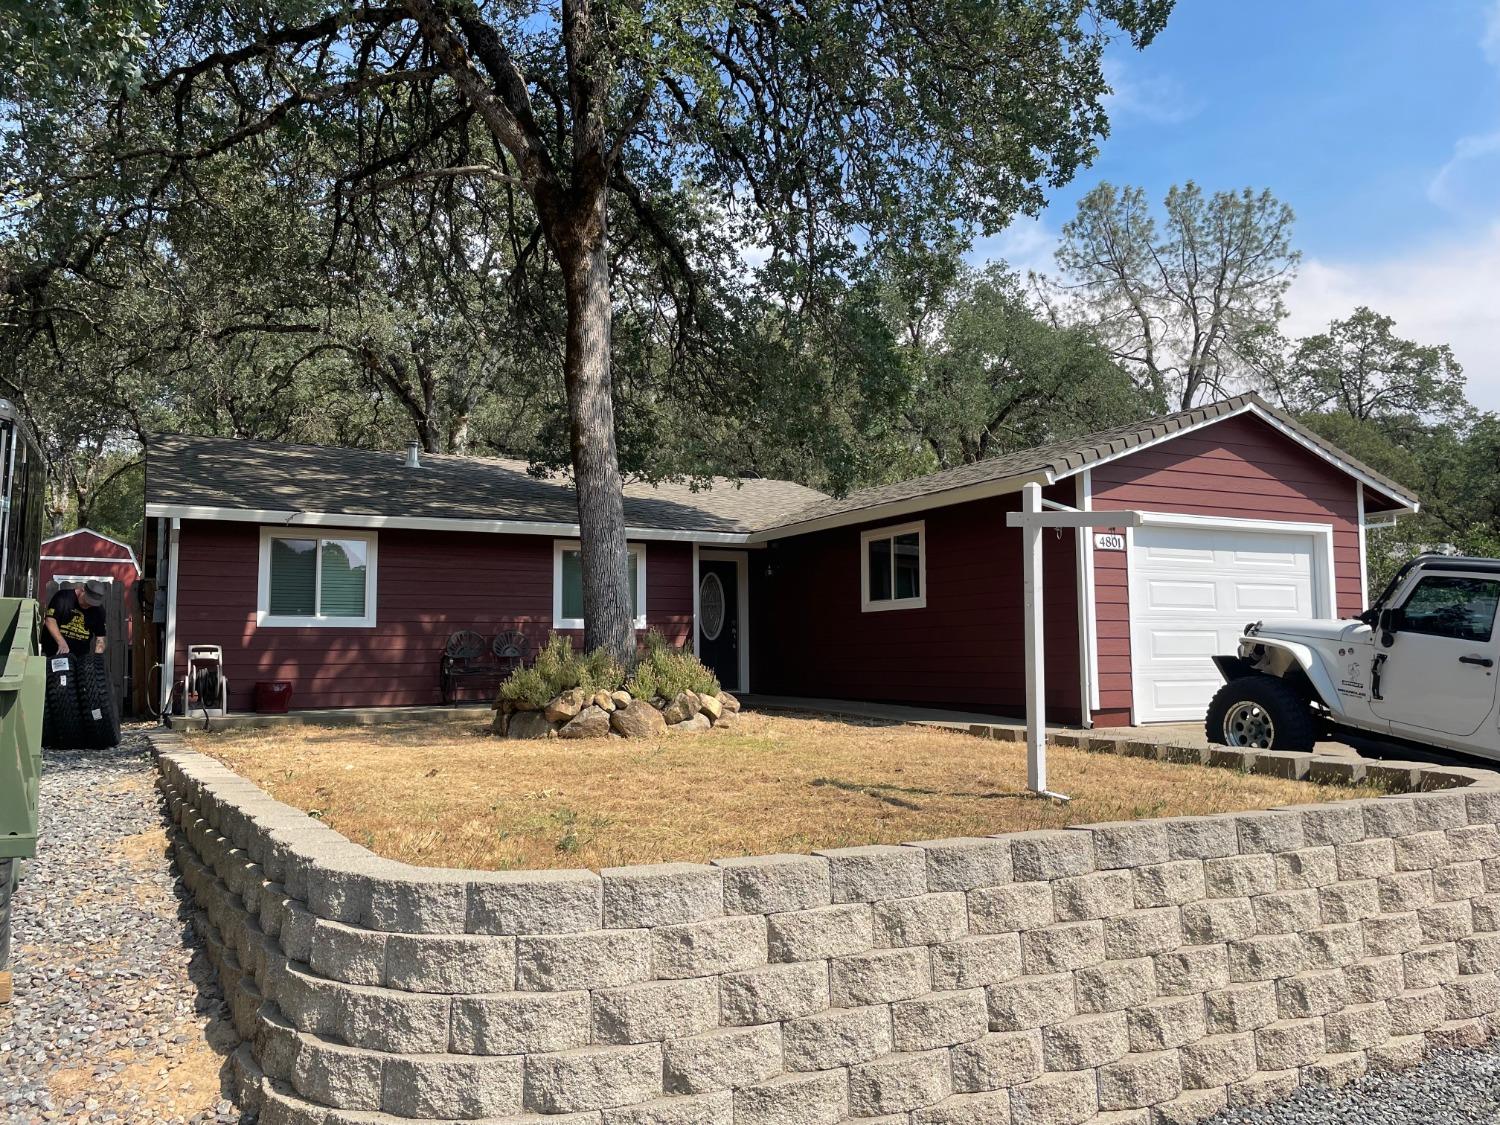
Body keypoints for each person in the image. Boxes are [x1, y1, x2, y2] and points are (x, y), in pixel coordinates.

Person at [42, 579, 108, 659]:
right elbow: (50, 620)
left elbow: (100, 638)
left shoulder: (98, 611)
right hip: (54, 653)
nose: (89, 605)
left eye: (92, 604)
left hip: (80, 659)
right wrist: (62, 642)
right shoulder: (63, 597)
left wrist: (98, 656)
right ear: (83, 590)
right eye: (87, 601)